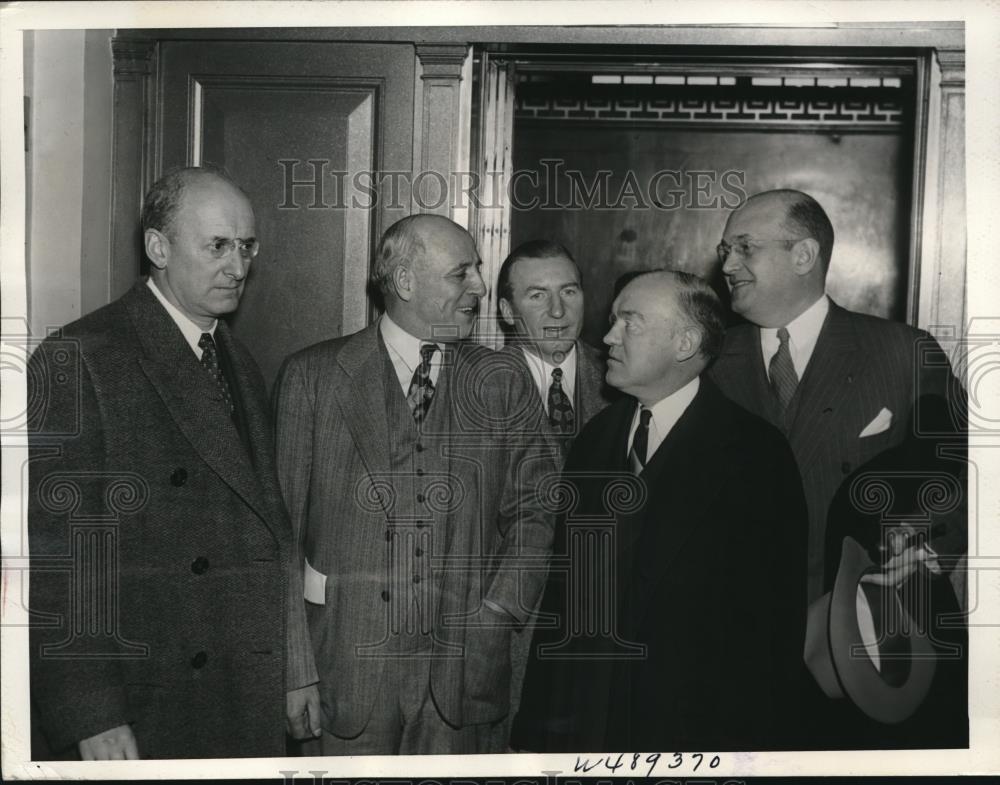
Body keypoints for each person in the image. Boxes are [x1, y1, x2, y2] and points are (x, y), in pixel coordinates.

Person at [28, 166, 319, 760]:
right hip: (148, 697)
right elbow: (61, 559)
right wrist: (91, 713)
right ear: (158, 247)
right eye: (217, 246)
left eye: (246, 246)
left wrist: (291, 666)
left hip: (241, 683)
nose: (238, 266)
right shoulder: (81, 358)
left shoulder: (239, 358)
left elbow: (270, 532)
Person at [273, 214, 558, 755]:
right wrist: (295, 669)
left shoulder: (503, 379)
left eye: (478, 269)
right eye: (462, 273)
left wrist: (498, 614)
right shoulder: (312, 377)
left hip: (463, 682)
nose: (480, 286)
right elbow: (279, 536)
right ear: (405, 283)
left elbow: (539, 511)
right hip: (344, 678)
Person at [511, 270, 808, 751]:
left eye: (630, 322)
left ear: (685, 342)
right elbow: (562, 606)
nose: (607, 336)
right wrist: (540, 730)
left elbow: (772, 635)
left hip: (695, 734)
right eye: (612, 320)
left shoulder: (755, 455)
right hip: (589, 728)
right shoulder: (594, 441)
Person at [708, 189, 964, 605]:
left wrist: (924, 543)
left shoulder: (902, 352)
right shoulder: (708, 360)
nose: (728, 265)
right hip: (739, 623)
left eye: (745, 248)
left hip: (861, 618)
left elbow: (969, 465)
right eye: (725, 250)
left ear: (804, 256)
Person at [497, 240, 615, 450]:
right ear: (508, 312)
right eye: (537, 296)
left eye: (568, 292)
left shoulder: (621, 379)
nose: (558, 311)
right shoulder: (480, 386)